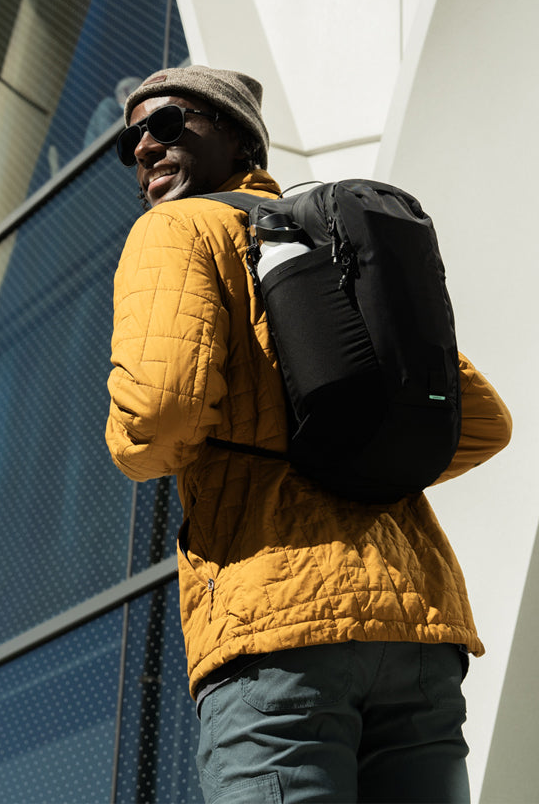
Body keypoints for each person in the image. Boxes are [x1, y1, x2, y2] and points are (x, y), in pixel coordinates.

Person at [104, 65, 513, 804]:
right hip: (418, 626)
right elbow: (481, 421)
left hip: (275, 624)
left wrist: (135, 447)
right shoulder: (330, 239)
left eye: (166, 125)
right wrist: (353, 452)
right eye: (130, 138)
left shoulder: (174, 230)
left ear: (236, 136)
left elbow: (161, 413)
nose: (142, 147)